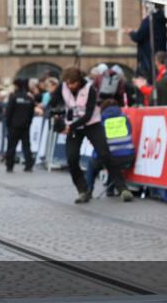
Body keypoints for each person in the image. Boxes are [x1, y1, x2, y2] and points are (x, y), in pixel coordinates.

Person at [49, 67, 128, 204]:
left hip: (91, 124)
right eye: (67, 83)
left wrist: (70, 127)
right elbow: (52, 103)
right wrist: (56, 115)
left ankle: (122, 188)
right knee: (72, 159)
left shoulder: (90, 89)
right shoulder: (63, 87)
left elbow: (88, 115)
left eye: (72, 83)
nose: (69, 86)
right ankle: (83, 190)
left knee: (104, 154)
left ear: (79, 81)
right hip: (73, 126)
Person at [84, 99, 135, 201]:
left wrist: (95, 158)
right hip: (129, 157)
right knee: (113, 160)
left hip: (110, 158)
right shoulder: (125, 118)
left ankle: (87, 191)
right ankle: (116, 190)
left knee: (94, 163)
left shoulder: (100, 120)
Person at [3, 78, 35, 173]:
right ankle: (29, 165)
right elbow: (31, 113)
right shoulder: (29, 98)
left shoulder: (13, 97)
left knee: (11, 146)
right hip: (25, 126)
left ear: (16, 86)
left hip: (14, 126)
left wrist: (8, 124)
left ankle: (10, 166)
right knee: (26, 146)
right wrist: (28, 123)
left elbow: (8, 112)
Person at [129, 4, 167, 79]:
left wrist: (131, 33)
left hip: (148, 56)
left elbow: (139, 36)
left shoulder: (148, 21)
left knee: (149, 79)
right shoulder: (161, 21)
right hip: (160, 53)